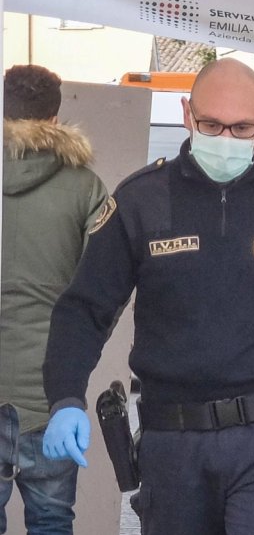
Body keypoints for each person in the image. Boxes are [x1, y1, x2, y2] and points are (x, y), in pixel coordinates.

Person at [40, 58, 254, 534]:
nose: (225, 138)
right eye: (211, 124)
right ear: (187, 114)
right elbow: (84, 309)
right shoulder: (143, 201)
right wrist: (66, 397)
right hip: (174, 440)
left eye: (241, 127)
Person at [0, 65, 107, 534]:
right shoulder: (86, 187)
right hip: (50, 393)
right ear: (57, 114)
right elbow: (104, 290)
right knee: (51, 522)